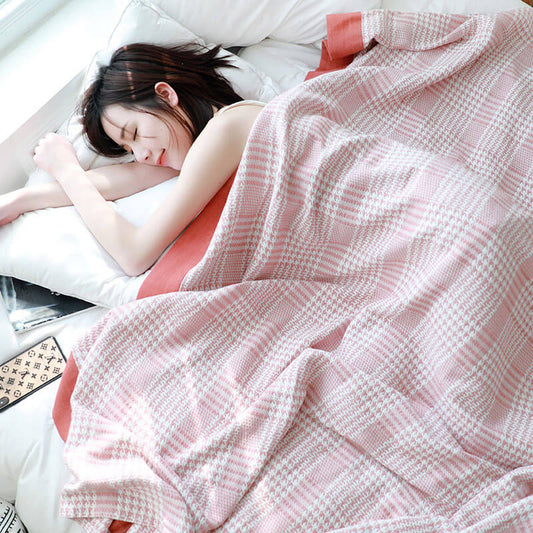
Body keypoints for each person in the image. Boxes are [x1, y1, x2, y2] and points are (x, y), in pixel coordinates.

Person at [0, 43, 265, 276]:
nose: (141, 155)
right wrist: (21, 199)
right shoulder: (199, 151)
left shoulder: (227, 128)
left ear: (166, 95)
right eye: (129, 148)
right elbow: (130, 177)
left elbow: (134, 255)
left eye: (135, 133)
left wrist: (68, 170)